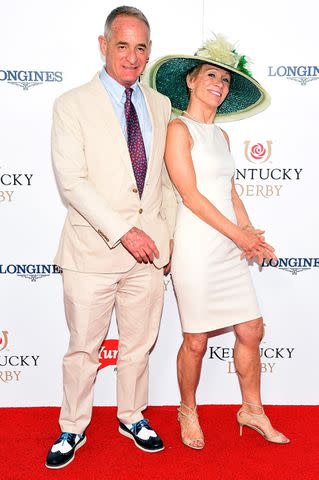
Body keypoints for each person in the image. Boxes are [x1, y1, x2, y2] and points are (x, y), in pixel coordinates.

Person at [45, 6, 176, 469]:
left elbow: (169, 182)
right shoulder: (71, 104)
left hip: (150, 254)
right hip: (91, 252)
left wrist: (169, 237)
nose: (132, 56)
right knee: (83, 347)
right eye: (122, 45)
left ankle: (132, 415)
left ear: (149, 51)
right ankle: (72, 426)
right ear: (104, 46)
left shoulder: (160, 105)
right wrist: (125, 232)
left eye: (141, 47)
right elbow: (72, 181)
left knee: (138, 345)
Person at [144, 34, 289, 449]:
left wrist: (251, 236)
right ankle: (187, 409)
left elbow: (231, 192)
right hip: (196, 248)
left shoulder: (222, 137)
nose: (219, 85)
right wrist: (237, 234)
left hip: (227, 246)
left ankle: (252, 409)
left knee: (251, 328)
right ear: (190, 81)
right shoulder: (178, 129)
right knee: (196, 340)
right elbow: (191, 196)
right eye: (212, 76)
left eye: (226, 81)